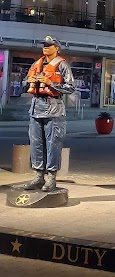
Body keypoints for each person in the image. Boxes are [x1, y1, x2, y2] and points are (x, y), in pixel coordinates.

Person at [22, 35, 75, 192]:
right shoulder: (36, 64)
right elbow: (25, 84)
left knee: (53, 144)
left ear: (56, 48)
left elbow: (70, 87)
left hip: (54, 109)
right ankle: (38, 176)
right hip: (35, 108)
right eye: (44, 45)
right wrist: (29, 82)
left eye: (49, 45)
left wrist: (51, 83)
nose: (45, 47)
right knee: (36, 143)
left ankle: (51, 178)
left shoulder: (62, 65)